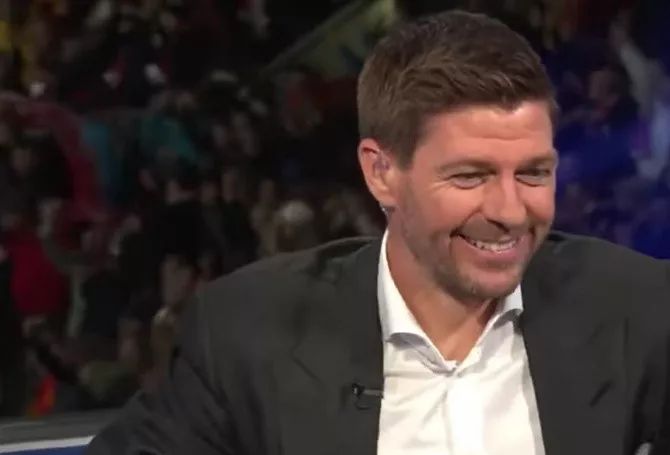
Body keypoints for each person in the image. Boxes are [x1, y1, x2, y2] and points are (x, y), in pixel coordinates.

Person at [87, 10, 670, 455]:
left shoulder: (637, 309)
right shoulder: (248, 334)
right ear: (382, 173)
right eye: (470, 176)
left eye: (533, 173)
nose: (511, 211)